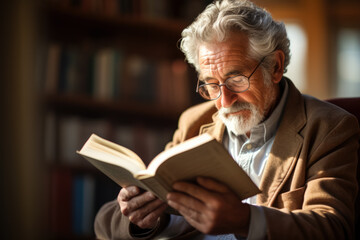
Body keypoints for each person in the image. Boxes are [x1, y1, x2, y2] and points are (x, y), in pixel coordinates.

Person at [94, 0, 359, 239]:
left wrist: (245, 220)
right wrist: (143, 218)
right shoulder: (194, 123)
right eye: (211, 85)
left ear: (275, 67)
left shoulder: (329, 127)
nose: (224, 101)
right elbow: (104, 225)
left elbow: (333, 227)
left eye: (236, 80)